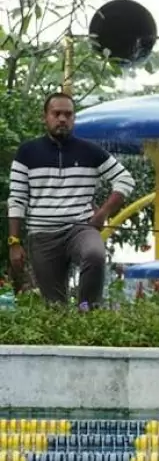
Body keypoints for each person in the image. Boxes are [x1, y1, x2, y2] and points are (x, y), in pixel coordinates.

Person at [7, 92, 132, 308]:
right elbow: (17, 199)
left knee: (94, 254)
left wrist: (102, 213)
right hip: (42, 235)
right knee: (55, 307)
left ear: (74, 118)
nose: (62, 119)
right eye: (56, 114)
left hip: (80, 228)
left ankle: (88, 312)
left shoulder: (90, 151)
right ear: (45, 117)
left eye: (68, 114)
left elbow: (125, 179)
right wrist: (14, 242)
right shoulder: (27, 153)